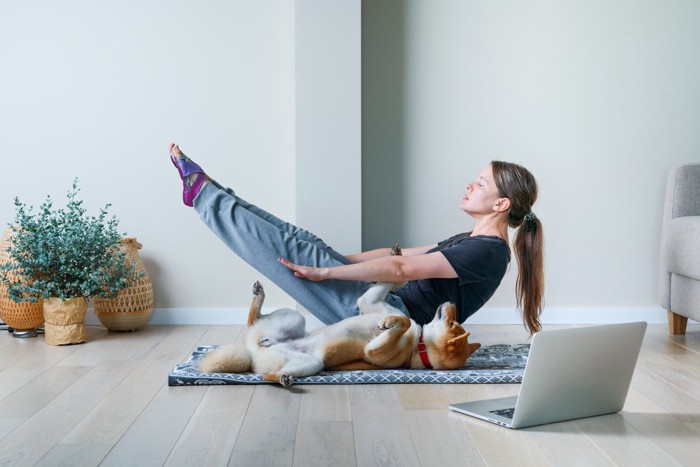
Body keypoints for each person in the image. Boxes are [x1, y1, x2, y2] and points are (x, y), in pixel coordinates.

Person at [169, 143, 544, 335]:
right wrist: (331, 258)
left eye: (480, 183)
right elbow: (395, 253)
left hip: (389, 326)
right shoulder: (472, 240)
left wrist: (327, 273)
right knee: (303, 242)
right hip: (384, 306)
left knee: (296, 252)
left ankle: (205, 197)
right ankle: (214, 192)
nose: (469, 184)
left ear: (501, 203)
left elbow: (401, 268)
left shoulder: (489, 252)